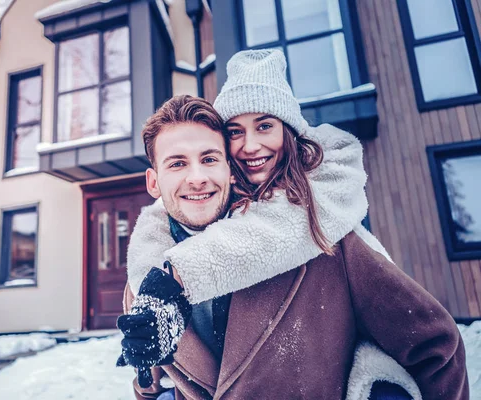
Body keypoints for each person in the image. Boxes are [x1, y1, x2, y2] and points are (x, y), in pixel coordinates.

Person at [118, 50, 468, 399]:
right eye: (177, 164)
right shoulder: (147, 280)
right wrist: (147, 380)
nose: (197, 178)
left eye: (208, 159)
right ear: (153, 183)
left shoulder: (324, 238)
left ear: (225, 166)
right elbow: (155, 386)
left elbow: (435, 346)